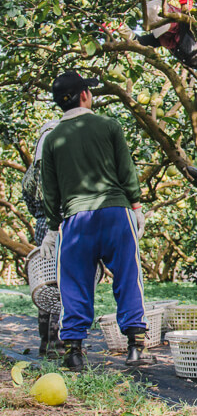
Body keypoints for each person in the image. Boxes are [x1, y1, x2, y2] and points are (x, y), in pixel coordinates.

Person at [40, 71, 154, 370]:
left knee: (75, 284)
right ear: (84, 96)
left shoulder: (52, 139)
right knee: (128, 278)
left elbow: (50, 190)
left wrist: (53, 228)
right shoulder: (108, 125)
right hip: (116, 213)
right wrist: (137, 205)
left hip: (76, 220)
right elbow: (125, 168)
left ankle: (74, 352)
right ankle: (136, 348)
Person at [20, 119, 63, 358]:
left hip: (41, 227)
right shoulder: (59, 168)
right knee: (61, 283)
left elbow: (28, 200)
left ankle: (46, 343)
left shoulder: (30, 173)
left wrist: (40, 216)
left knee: (45, 283)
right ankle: (59, 344)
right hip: (58, 226)